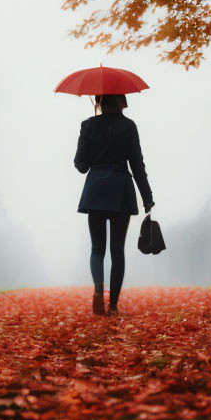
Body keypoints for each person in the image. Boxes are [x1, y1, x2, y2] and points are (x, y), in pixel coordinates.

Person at [74, 93, 154, 316]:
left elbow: (80, 164)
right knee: (117, 251)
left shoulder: (88, 125)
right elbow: (137, 164)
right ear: (121, 101)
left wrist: (93, 144)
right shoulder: (129, 127)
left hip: (96, 191)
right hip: (121, 191)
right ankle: (114, 306)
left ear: (99, 101)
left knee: (97, 248)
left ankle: (99, 289)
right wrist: (147, 197)